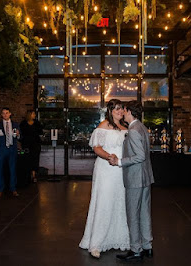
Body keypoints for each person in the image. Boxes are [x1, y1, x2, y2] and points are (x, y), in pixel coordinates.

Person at [79, 99, 130, 259]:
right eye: (116, 109)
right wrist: (109, 157)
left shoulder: (125, 127)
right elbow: (96, 147)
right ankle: (96, 243)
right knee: (105, 201)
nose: (120, 112)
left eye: (121, 109)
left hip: (121, 169)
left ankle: (118, 237)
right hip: (107, 169)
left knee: (120, 201)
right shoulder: (103, 126)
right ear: (110, 111)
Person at [110, 101, 154, 262]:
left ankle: (136, 249)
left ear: (129, 111)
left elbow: (140, 156)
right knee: (144, 212)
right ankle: (148, 247)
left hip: (135, 178)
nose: (122, 112)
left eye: (124, 110)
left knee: (133, 214)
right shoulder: (142, 127)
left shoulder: (134, 130)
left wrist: (120, 162)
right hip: (145, 177)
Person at [0, 107, 20, 198]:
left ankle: (13, 189)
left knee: (13, 170)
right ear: (1, 115)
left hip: (12, 149)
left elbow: (20, 138)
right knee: (0, 170)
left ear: (10, 113)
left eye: (7, 113)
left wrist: (19, 135)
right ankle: (0, 190)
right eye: (3, 113)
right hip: (2, 150)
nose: (5, 115)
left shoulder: (15, 124)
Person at [19, 110, 43, 183]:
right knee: (27, 159)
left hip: (35, 144)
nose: (34, 115)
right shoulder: (23, 124)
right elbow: (21, 134)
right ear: (29, 115)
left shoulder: (36, 123)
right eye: (33, 114)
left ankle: (34, 175)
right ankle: (28, 176)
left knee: (35, 160)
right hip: (27, 144)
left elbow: (40, 132)